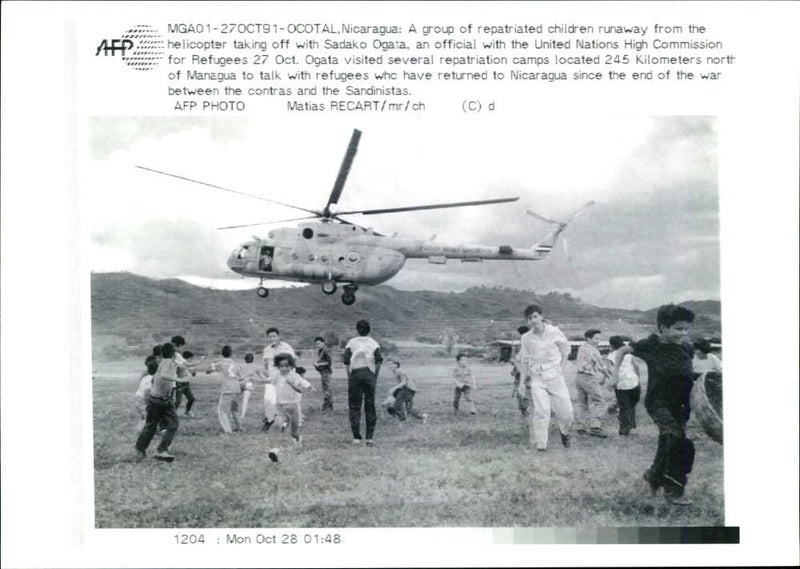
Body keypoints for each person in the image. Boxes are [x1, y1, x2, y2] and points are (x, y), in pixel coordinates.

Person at [614, 303, 697, 505]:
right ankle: (674, 488)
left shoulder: (687, 348)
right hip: (658, 402)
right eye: (678, 329)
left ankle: (653, 475)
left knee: (667, 442)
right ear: (662, 327)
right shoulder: (650, 345)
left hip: (682, 405)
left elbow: (686, 374)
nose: (683, 334)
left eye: (686, 329)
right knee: (678, 440)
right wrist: (615, 375)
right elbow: (623, 350)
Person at [518, 303, 573, 451]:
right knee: (541, 412)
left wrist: (561, 368)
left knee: (566, 412)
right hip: (537, 377)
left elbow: (566, 350)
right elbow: (524, 360)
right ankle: (541, 445)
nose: (533, 320)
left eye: (535, 316)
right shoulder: (526, 338)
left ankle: (565, 432)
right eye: (529, 318)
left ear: (541, 317)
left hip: (555, 376)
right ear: (527, 321)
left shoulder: (554, 332)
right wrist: (521, 383)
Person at [134, 342, 190, 462]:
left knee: (159, 425)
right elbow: (164, 375)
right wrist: (179, 379)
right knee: (156, 425)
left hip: (163, 399)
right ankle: (154, 450)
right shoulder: (167, 362)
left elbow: (157, 377)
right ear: (173, 353)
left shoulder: (167, 363)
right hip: (159, 400)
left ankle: (153, 449)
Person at [343, 319, 383, 445]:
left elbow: (346, 360)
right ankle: (369, 437)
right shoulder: (373, 343)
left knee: (354, 406)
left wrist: (350, 375)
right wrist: (374, 376)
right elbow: (378, 361)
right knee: (370, 405)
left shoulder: (352, 342)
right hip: (369, 374)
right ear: (369, 329)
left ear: (357, 329)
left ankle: (356, 437)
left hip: (355, 373)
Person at [272, 353, 315, 450]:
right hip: (280, 406)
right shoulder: (276, 376)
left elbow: (301, 389)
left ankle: (297, 440)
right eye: (281, 366)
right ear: (278, 367)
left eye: (287, 366)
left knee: (295, 432)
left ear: (291, 366)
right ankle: (275, 448)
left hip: (293, 407)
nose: (284, 368)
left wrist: (309, 387)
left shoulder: (294, 376)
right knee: (277, 425)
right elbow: (268, 380)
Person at [574, 329, 612, 438]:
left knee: (582, 403)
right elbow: (601, 366)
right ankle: (595, 427)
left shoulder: (581, 348)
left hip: (578, 377)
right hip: (588, 378)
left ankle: (580, 427)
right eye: (596, 338)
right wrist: (610, 377)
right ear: (588, 338)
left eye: (599, 338)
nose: (598, 341)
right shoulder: (594, 350)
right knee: (601, 403)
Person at [606, 335, 642, 436]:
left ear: (611, 345)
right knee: (632, 404)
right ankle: (631, 424)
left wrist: (613, 379)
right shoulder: (628, 354)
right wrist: (638, 378)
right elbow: (636, 366)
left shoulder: (611, 356)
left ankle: (624, 428)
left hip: (620, 384)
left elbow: (609, 369)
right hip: (633, 381)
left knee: (624, 406)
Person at [262, 327, 296, 430]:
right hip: (272, 378)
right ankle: (269, 420)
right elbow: (265, 366)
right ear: (267, 338)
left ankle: (285, 421)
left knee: (284, 400)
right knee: (268, 399)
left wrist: (290, 378)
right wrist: (268, 376)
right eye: (270, 337)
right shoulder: (267, 350)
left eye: (274, 336)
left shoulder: (286, 347)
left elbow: (293, 363)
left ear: (278, 336)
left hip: (284, 378)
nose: (272, 338)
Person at [207, 345, 243, 434]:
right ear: (231, 354)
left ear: (222, 354)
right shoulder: (235, 363)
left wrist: (213, 362)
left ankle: (228, 431)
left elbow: (208, 370)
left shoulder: (220, 363)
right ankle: (239, 427)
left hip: (227, 389)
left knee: (222, 411)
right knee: (234, 409)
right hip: (237, 388)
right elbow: (241, 376)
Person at [385, 359, 428, 423]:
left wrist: (393, 389)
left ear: (396, 365)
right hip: (406, 389)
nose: (389, 366)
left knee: (398, 404)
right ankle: (423, 416)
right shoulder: (396, 371)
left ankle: (402, 420)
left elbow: (403, 382)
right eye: (388, 364)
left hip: (408, 389)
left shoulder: (399, 371)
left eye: (391, 364)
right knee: (408, 408)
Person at [511, 325, 531, 430]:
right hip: (522, 375)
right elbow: (514, 360)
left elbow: (513, 360)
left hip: (527, 375)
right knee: (523, 397)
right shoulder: (520, 346)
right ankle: (526, 419)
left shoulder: (524, 345)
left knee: (525, 397)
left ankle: (527, 419)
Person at [239, 352, 269, 419]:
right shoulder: (255, 366)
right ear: (253, 359)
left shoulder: (241, 365)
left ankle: (232, 413)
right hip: (248, 384)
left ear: (245, 359)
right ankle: (242, 415)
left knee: (234, 398)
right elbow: (261, 376)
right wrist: (268, 381)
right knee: (245, 400)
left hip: (241, 383)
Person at [134, 361, 159, 433]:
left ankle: (143, 428)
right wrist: (149, 402)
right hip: (143, 398)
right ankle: (139, 429)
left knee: (144, 414)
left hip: (137, 397)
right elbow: (147, 392)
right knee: (148, 416)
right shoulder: (153, 379)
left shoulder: (145, 378)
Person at [174, 350, 198, 418]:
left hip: (186, 384)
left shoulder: (190, 366)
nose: (191, 360)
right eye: (190, 358)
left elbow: (194, 374)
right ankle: (171, 413)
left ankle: (187, 411)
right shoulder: (180, 365)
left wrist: (193, 371)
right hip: (179, 384)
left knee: (191, 398)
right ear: (185, 359)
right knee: (178, 401)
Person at [313, 336, 334, 411]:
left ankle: (327, 405)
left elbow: (329, 362)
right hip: (323, 371)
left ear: (323, 343)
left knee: (326, 388)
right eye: (316, 344)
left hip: (326, 371)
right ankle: (328, 405)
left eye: (319, 343)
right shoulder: (321, 350)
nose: (317, 345)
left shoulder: (326, 350)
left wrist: (319, 364)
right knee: (325, 388)